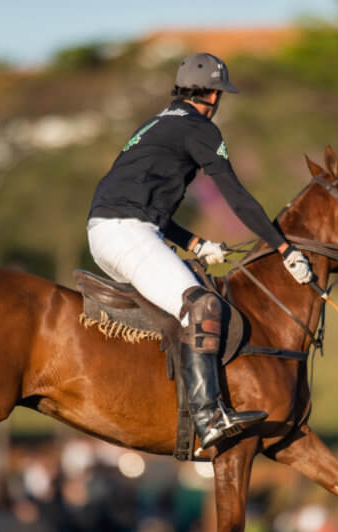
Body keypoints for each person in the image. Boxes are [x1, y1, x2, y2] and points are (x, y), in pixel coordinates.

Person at [86, 52, 313, 451]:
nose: (219, 102)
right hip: (126, 232)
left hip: (109, 231)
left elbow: (143, 202)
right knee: (203, 305)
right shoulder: (199, 129)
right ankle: (209, 415)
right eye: (219, 94)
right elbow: (237, 198)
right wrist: (283, 247)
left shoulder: (155, 125)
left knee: (181, 301)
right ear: (209, 94)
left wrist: (195, 243)